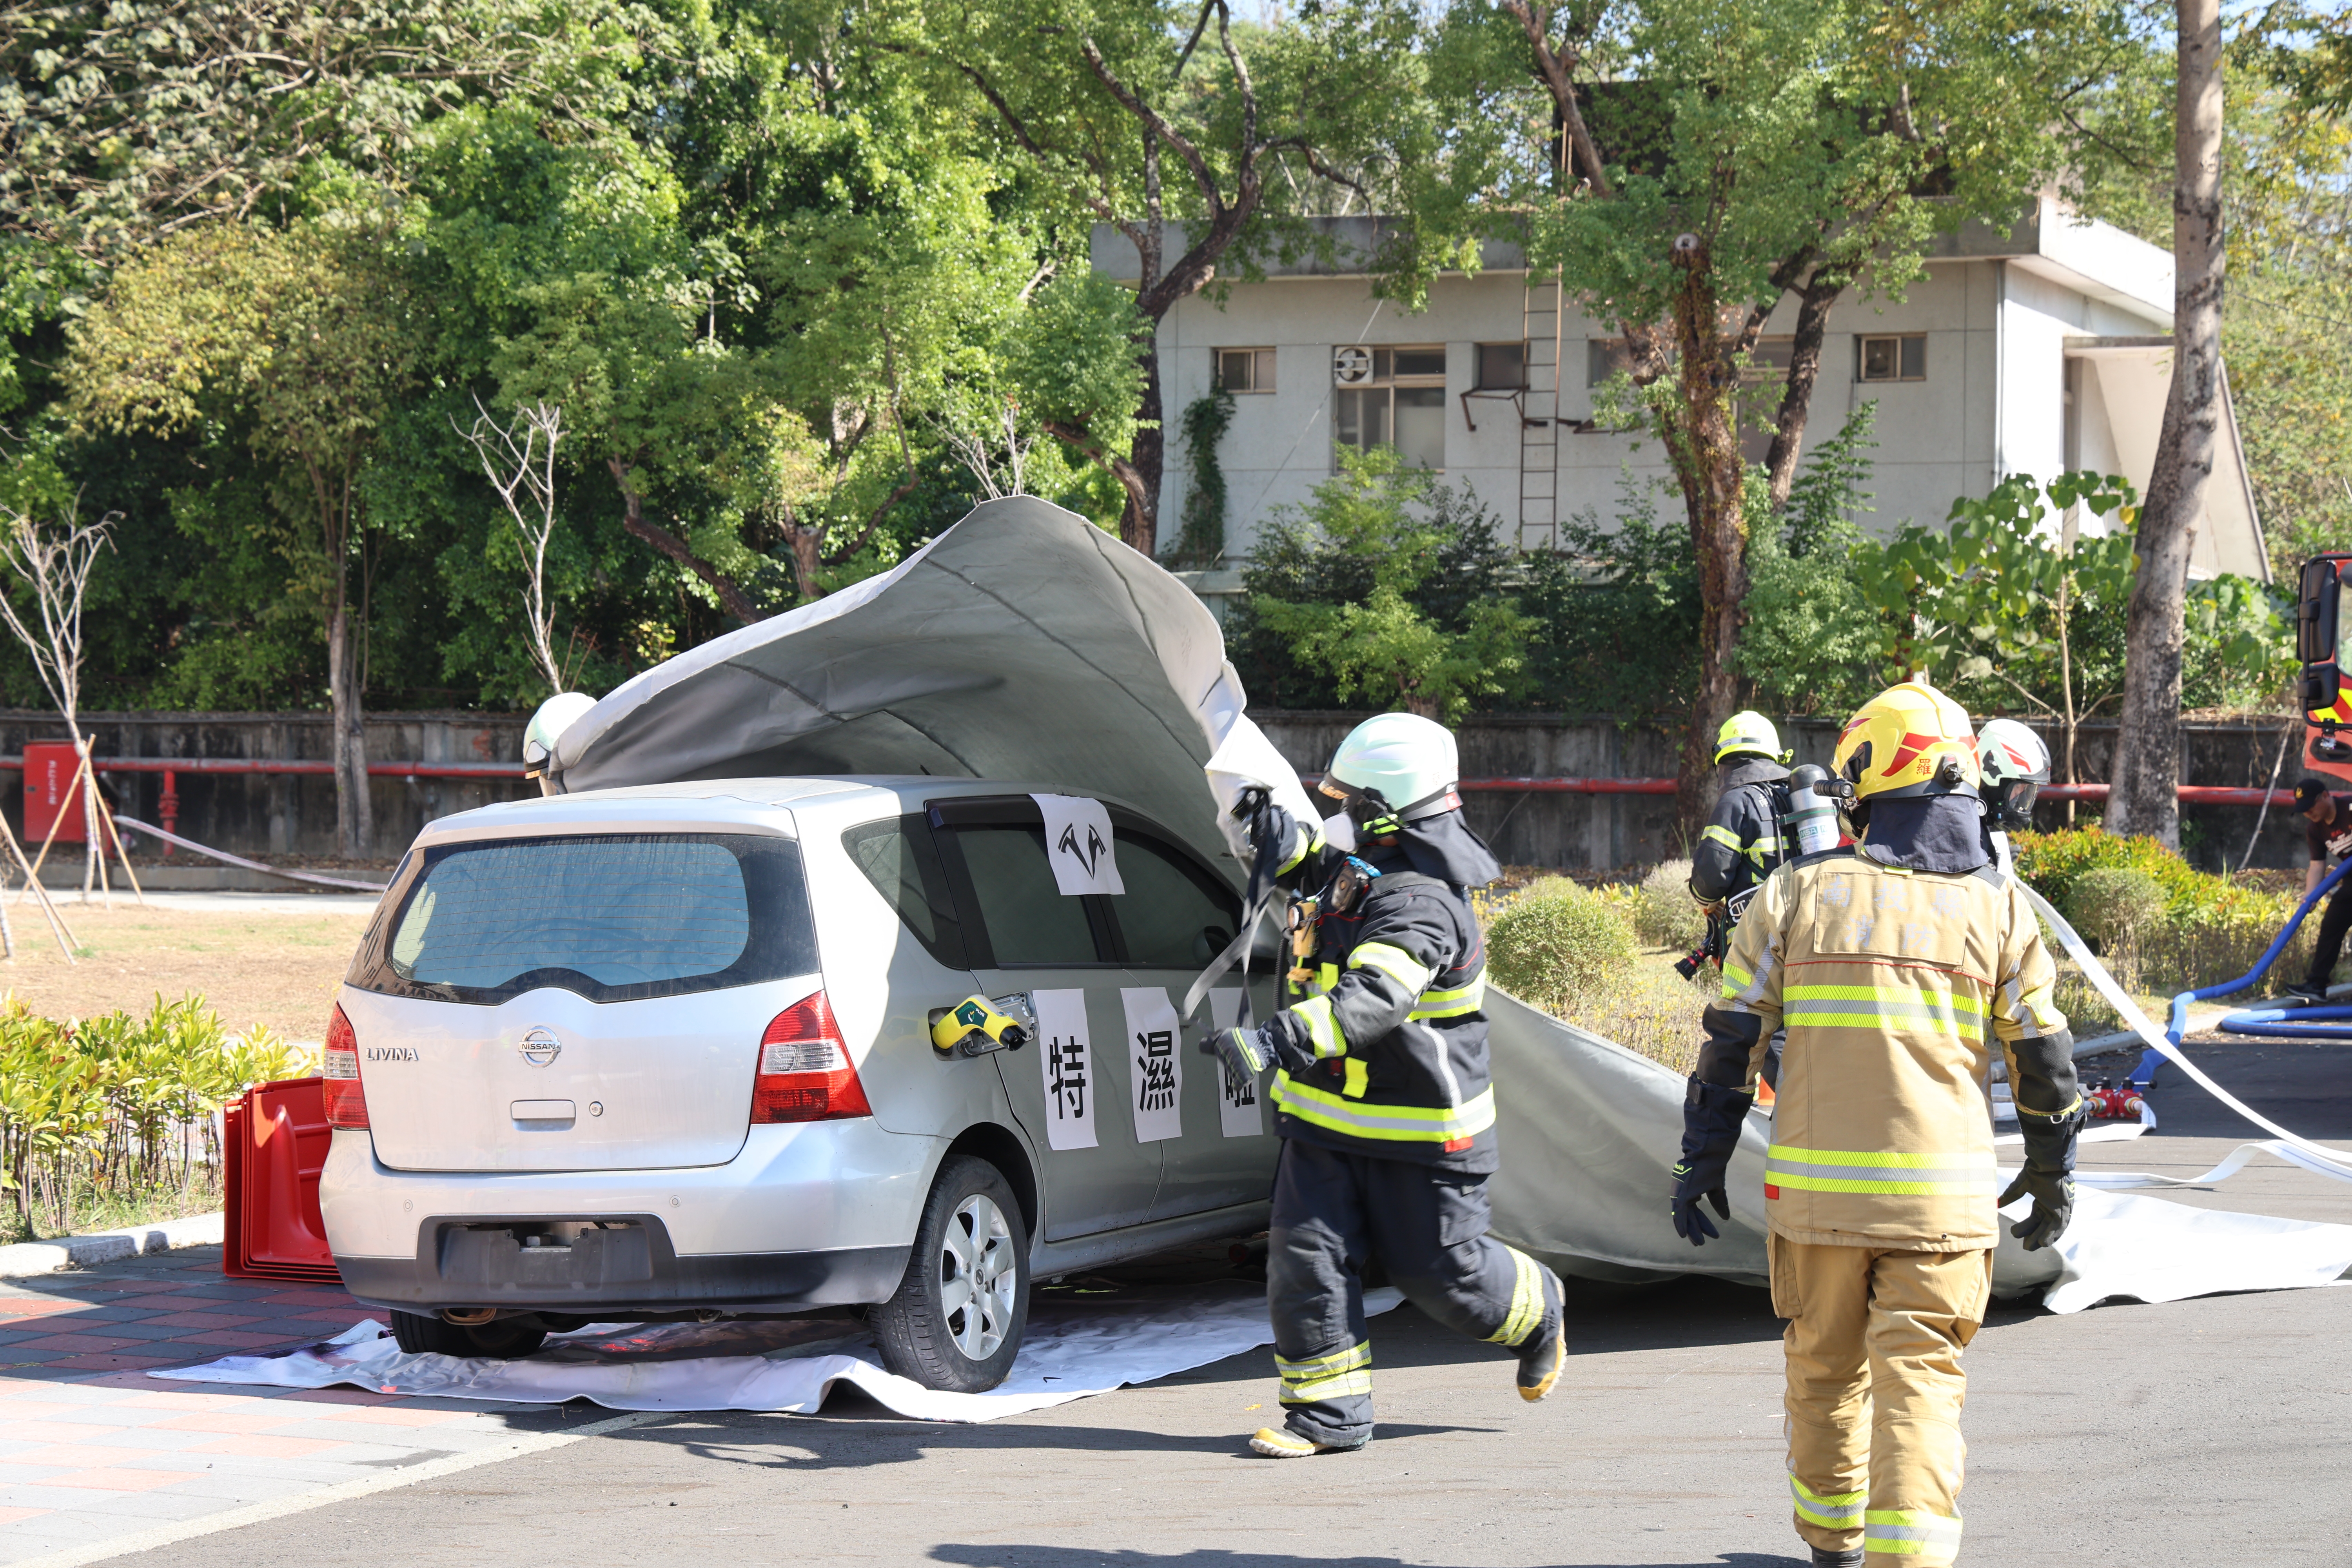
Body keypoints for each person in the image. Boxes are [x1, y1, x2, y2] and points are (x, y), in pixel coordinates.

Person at [1668, 679, 2080, 1568]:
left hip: (1816, 1205)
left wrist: (1698, 1162)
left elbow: (1731, 1043)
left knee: (1823, 1372)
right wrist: (2053, 1174)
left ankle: (1834, 1545)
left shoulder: (1793, 896)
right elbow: (2045, 1061)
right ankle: (1913, 1556)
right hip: (1943, 1207)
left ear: (1867, 776)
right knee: (1922, 1377)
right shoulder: (2001, 909)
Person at [1208, 712, 1566, 1459]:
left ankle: (1540, 1311)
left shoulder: (1424, 903)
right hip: (1325, 1120)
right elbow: (1322, 880)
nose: (1338, 813)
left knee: (1445, 1281)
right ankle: (1327, 1418)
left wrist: (1278, 1039)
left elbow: (1377, 999)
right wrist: (1277, 836)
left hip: (1419, 1131)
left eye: (1348, 802)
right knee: (1304, 1261)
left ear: (1382, 812)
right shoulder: (1368, 869)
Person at [1689, 710, 1793, 916]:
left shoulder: (1736, 801)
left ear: (1722, 759)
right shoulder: (1799, 795)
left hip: (1759, 932)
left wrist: (1702, 896)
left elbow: (1710, 878)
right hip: (1808, 926)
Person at [2285, 775, 2352, 1002]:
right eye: (2303, 810)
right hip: (2351, 880)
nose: (2308, 813)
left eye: (2311, 807)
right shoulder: (2315, 829)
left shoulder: (2350, 807)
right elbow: (2317, 865)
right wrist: (2310, 897)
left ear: (2326, 796)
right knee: (2332, 925)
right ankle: (2316, 985)